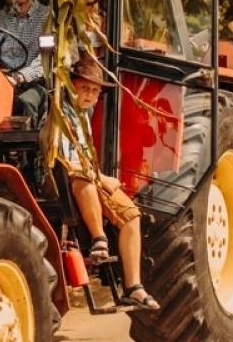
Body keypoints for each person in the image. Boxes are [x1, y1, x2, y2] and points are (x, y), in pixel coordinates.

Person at [58, 52, 159, 311]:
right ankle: (99, 239)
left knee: (132, 215)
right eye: (85, 88)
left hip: (91, 175)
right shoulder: (60, 114)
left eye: (94, 90)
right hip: (70, 178)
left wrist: (102, 178)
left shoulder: (84, 118)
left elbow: (87, 159)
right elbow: (69, 162)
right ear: (71, 85)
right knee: (84, 180)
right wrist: (101, 177)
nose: (90, 95)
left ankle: (134, 287)